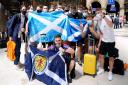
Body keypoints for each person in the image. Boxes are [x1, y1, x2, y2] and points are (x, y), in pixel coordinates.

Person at [96, 11, 116, 81]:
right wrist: (99, 43)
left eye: (99, 13)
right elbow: (101, 34)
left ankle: (110, 72)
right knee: (101, 55)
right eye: (97, 13)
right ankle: (101, 69)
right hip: (104, 41)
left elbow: (110, 25)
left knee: (111, 57)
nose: (98, 14)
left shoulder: (107, 17)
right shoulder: (99, 21)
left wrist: (104, 16)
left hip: (111, 41)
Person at [7, 5, 28, 69]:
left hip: (20, 36)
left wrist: (24, 29)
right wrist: (10, 35)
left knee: (18, 49)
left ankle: (17, 61)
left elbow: (25, 26)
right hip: (15, 35)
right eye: (23, 9)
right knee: (16, 50)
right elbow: (11, 26)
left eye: (25, 9)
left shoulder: (26, 17)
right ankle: (16, 64)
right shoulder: (17, 16)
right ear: (20, 10)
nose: (24, 10)